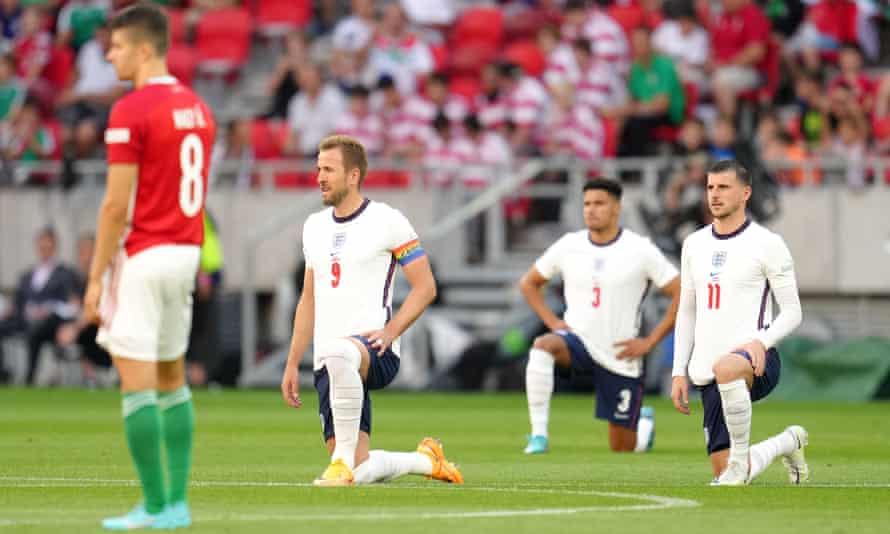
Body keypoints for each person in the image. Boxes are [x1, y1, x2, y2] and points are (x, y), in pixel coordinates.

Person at [82, 4, 215, 529]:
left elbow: (116, 205)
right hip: (186, 252)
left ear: (143, 49)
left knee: (136, 384)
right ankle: (176, 504)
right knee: (171, 379)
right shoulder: (198, 108)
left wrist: (96, 277)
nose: (109, 55)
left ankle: (156, 506)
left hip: (144, 252)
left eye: (116, 47)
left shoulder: (132, 110)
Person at [279, 134, 463, 486]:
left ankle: (339, 464)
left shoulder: (387, 220)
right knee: (359, 468)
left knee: (340, 354)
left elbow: (426, 287)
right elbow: (308, 299)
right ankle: (426, 461)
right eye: (318, 169)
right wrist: (292, 362)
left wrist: (391, 331)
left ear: (353, 175)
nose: (319, 177)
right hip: (330, 362)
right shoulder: (313, 226)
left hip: (375, 349)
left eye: (328, 170)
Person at [670, 159, 808, 486]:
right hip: (708, 368)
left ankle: (736, 468)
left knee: (728, 368)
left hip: (756, 360)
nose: (715, 194)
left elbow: (792, 311)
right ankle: (789, 442)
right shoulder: (694, 244)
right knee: (725, 469)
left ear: (745, 193)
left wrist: (762, 341)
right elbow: (687, 311)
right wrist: (678, 371)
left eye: (724, 187)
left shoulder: (768, 244)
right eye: (710, 187)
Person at [520, 179, 681, 455]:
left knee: (622, 448)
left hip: (619, 354)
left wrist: (650, 342)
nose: (591, 210)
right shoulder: (569, 245)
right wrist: (553, 323)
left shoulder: (640, 249)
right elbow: (529, 283)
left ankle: (643, 427)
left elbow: (682, 292)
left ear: (616, 208)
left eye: (599, 203)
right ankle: (538, 436)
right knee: (543, 346)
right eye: (587, 204)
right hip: (577, 343)